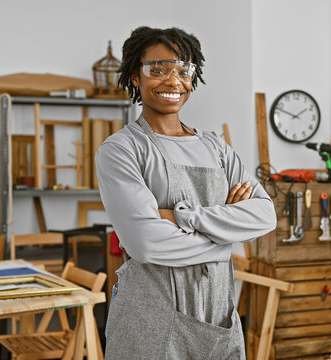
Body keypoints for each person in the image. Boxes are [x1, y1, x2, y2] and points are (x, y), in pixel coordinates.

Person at [96, 26, 276, 359]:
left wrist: (181, 216)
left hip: (217, 312)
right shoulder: (121, 150)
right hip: (151, 317)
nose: (173, 80)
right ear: (136, 76)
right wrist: (227, 238)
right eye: (158, 70)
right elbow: (147, 244)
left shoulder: (216, 147)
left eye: (183, 70)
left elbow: (265, 215)